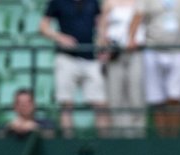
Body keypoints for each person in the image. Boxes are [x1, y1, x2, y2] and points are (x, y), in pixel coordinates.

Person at [128, 0, 180, 138]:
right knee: (157, 100)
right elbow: (138, 15)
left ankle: (174, 137)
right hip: (153, 50)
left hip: (178, 50)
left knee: (175, 97)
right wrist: (131, 38)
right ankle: (162, 138)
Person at [41, 0, 110, 136]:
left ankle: (105, 145)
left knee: (100, 104)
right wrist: (60, 37)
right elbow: (43, 27)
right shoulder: (57, 2)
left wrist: (102, 41)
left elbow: (100, 22)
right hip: (66, 58)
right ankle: (68, 144)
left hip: (90, 57)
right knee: (66, 104)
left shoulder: (93, 2)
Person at [99, 0, 146, 136]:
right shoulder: (109, 3)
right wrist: (105, 44)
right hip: (115, 54)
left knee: (136, 94)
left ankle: (137, 136)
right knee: (116, 96)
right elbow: (102, 26)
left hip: (136, 52)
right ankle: (119, 136)